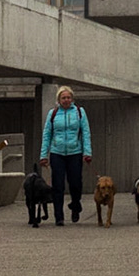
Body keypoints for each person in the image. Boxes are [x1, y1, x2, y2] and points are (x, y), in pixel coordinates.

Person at [40, 85, 93, 226]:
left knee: (75, 183)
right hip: (57, 153)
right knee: (58, 185)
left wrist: (87, 153)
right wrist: (43, 155)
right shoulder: (53, 113)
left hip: (75, 152)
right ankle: (59, 216)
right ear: (59, 99)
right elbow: (47, 135)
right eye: (63, 98)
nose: (66, 100)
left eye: (68, 97)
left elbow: (86, 133)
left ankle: (75, 205)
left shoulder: (79, 112)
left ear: (72, 99)